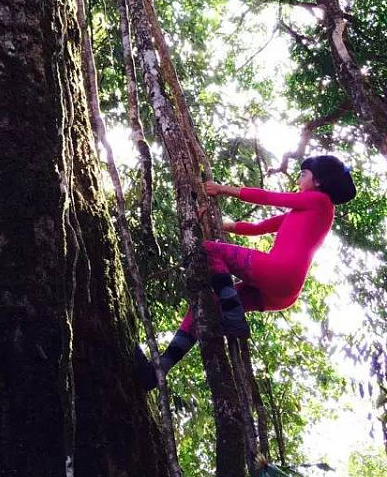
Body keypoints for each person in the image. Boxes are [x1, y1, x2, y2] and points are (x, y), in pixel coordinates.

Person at [136, 155, 356, 391]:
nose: (298, 179)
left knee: (209, 251)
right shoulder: (308, 209)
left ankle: (232, 316)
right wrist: (220, 225)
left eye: (304, 174)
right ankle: (158, 370)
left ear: (319, 182)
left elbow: (268, 197)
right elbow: (257, 228)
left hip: (279, 273)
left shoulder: (319, 201)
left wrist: (222, 189)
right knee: (206, 305)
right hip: (282, 293)